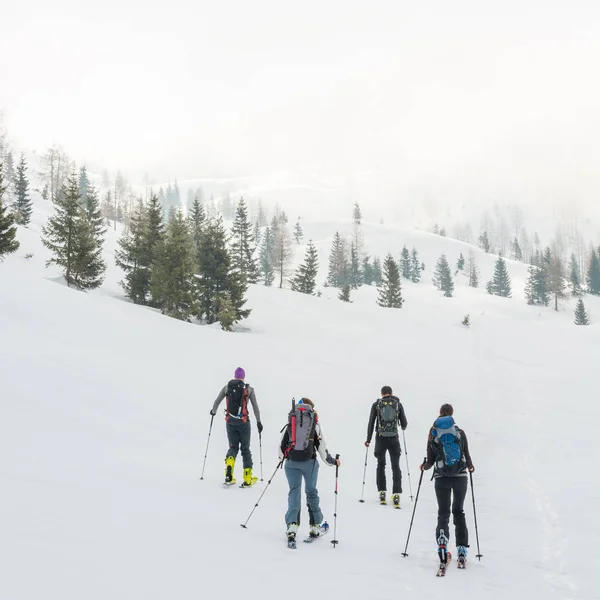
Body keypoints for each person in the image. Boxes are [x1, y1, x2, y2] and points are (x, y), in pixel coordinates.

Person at [419, 404, 475, 567]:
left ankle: (442, 541)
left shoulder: (433, 433)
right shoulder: (460, 432)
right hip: (460, 477)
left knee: (443, 512)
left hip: (441, 478)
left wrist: (424, 467)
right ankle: (462, 548)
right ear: (452, 415)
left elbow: (430, 460)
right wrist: (470, 466)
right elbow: (467, 454)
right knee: (459, 511)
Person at [279, 398, 340, 543]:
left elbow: (282, 445)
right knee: (311, 492)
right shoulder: (314, 423)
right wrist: (333, 462)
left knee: (294, 491)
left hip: (291, 463)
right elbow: (322, 448)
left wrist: (282, 459)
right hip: (309, 462)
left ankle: (292, 526)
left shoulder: (291, 421)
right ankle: (315, 525)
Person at [210, 367, 263, 487]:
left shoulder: (227, 387)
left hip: (230, 422)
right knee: (245, 449)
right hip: (244, 423)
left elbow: (217, 401)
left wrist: (213, 412)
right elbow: (255, 408)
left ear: (234, 376)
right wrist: (259, 422)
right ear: (243, 377)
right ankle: (247, 478)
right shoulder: (249, 389)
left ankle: (229, 471)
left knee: (233, 447)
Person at [365, 385, 408, 507]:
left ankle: (382, 492)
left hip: (380, 439)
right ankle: (396, 494)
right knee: (396, 466)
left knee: (381, 465)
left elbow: (371, 423)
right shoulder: (398, 404)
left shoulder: (377, 404)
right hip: (394, 439)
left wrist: (368, 440)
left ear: (382, 393)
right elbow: (404, 424)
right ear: (391, 393)